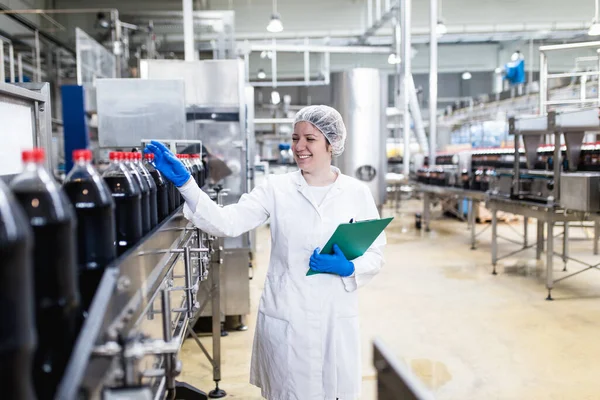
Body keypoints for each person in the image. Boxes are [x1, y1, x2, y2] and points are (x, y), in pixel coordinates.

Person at [144, 105, 386, 400]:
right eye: (295, 138)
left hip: (334, 317)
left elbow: (375, 252)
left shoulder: (356, 192)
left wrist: (349, 269)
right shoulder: (277, 188)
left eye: (309, 139)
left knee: (333, 390)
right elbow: (227, 222)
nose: (299, 147)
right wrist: (187, 185)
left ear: (330, 143)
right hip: (288, 315)